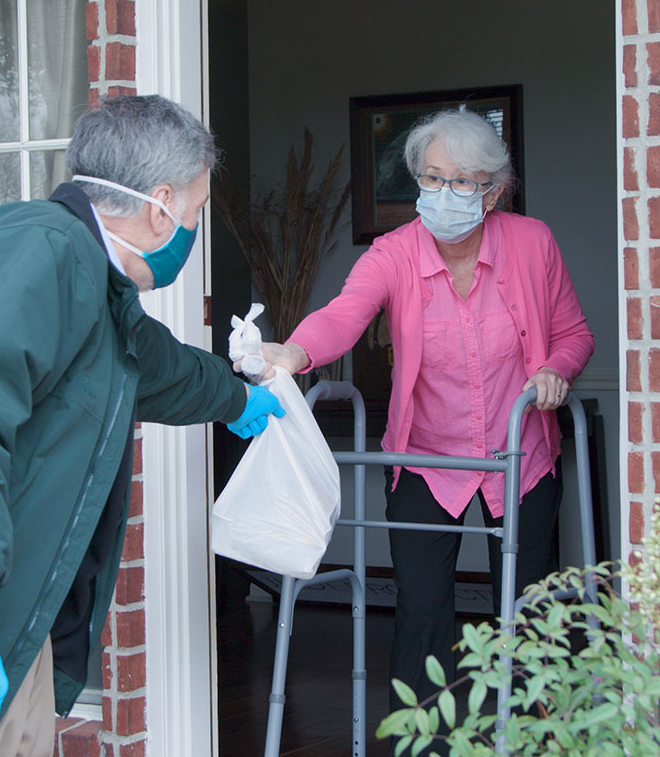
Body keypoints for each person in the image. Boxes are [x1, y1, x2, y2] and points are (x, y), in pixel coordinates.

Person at [0, 94, 284, 757]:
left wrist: (237, 398)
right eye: (196, 213)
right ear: (160, 205)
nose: (193, 229)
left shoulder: (91, 278)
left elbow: (153, 364)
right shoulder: (43, 251)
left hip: (2, 617)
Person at [243, 109, 594, 755]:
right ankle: (422, 745)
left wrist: (554, 369)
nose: (443, 195)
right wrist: (291, 353)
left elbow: (575, 334)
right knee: (423, 613)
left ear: (492, 190)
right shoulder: (396, 253)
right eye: (431, 179)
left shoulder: (532, 243)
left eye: (460, 182)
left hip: (522, 458)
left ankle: (539, 741)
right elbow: (345, 315)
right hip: (427, 458)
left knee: (531, 616)